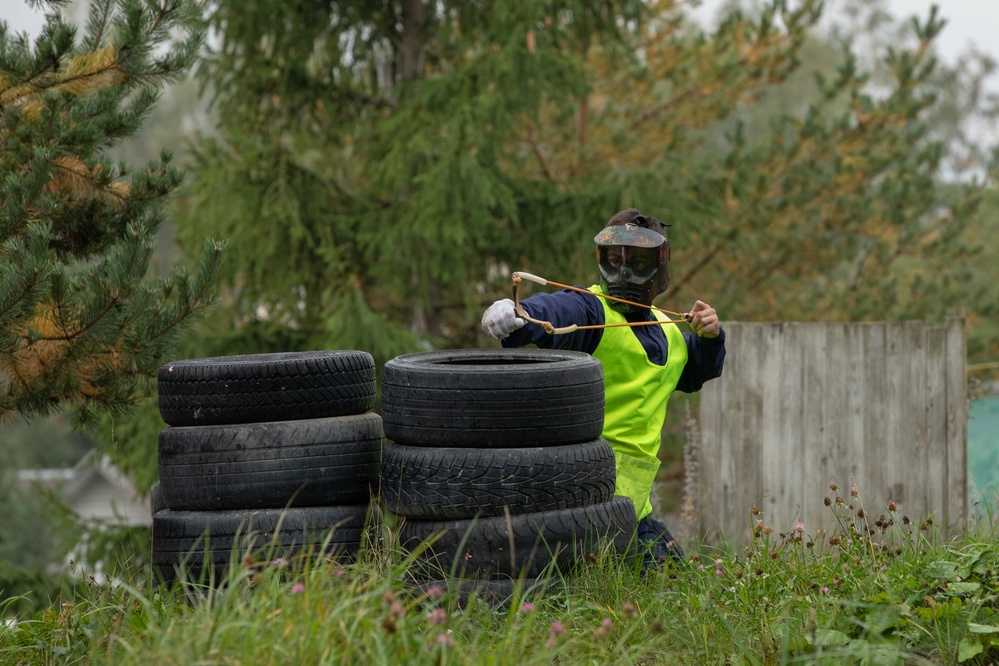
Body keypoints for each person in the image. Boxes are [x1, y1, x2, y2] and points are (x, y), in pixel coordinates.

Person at [480, 208, 725, 569]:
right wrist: (516, 313)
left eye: (637, 262)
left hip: (633, 514)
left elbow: (698, 372)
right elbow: (554, 311)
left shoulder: (671, 332)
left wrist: (711, 336)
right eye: (615, 261)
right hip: (577, 509)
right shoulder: (592, 310)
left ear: (660, 265)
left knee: (680, 589)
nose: (624, 272)